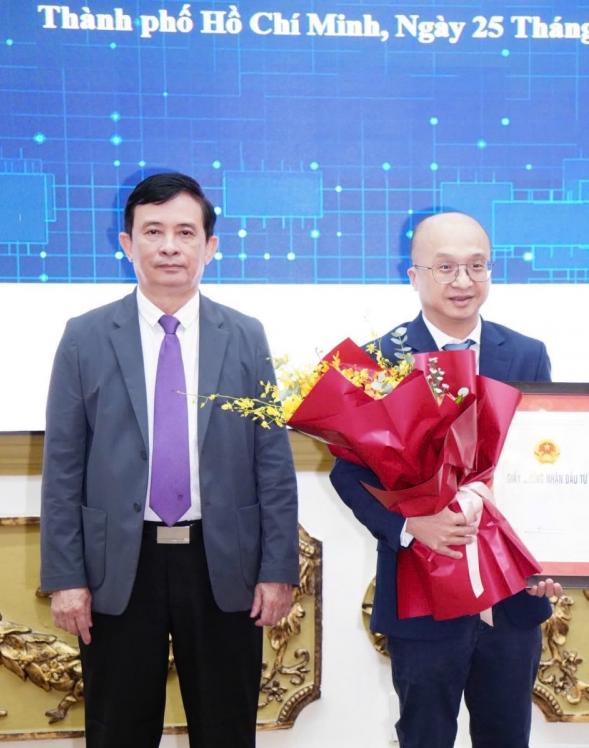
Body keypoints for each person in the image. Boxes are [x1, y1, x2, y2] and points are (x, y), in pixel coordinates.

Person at [39, 172, 300, 748]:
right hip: (118, 566)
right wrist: (66, 578)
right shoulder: (85, 337)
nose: (169, 247)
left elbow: (273, 464)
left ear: (210, 246)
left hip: (222, 561)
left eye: (185, 232)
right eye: (152, 231)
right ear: (127, 243)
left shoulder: (246, 336)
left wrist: (278, 568)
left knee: (227, 730)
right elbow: (62, 468)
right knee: (119, 731)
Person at [330, 211, 560, 748]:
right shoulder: (379, 360)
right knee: (424, 735)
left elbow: (544, 465)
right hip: (422, 592)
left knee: (507, 736)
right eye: (446, 267)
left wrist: (549, 557)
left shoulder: (526, 354)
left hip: (512, 595)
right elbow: (349, 475)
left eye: (477, 266)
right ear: (414, 276)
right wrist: (411, 526)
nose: (463, 281)